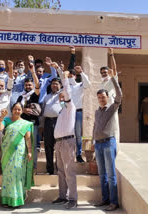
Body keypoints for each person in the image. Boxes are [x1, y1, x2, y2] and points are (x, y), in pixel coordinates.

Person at [93, 70, 122, 212]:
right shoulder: (97, 111)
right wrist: (93, 142)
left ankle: (113, 202)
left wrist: (114, 79)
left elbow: (119, 97)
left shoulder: (112, 109)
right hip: (98, 145)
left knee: (111, 175)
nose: (101, 99)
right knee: (102, 173)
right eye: (99, 97)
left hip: (109, 143)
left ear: (107, 97)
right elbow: (95, 127)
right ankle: (104, 200)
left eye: (103, 97)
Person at [0, 104, 34, 208]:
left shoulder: (25, 124)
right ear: (12, 110)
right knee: (8, 175)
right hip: (7, 152)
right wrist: (1, 118)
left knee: (17, 174)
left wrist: (29, 151)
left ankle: (17, 200)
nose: (17, 111)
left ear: (22, 111)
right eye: (15, 109)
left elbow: (28, 138)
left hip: (19, 152)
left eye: (19, 109)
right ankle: (6, 199)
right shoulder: (7, 120)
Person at [51, 69, 78, 209]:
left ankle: (73, 199)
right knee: (61, 171)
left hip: (67, 142)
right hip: (59, 143)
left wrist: (64, 77)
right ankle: (63, 196)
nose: (61, 99)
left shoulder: (70, 107)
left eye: (63, 97)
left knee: (69, 171)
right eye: (60, 98)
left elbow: (67, 91)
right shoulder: (62, 111)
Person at [67, 46, 91, 163]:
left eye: (72, 75)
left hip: (78, 113)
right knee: (68, 134)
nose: (70, 77)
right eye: (69, 76)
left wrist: (82, 72)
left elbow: (88, 84)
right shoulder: (65, 87)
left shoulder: (79, 85)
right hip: (68, 113)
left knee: (78, 135)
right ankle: (69, 154)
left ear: (75, 76)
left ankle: (78, 154)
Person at [16, 61, 41, 172]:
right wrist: (23, 110)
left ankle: (33, 167)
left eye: (30, 85)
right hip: (22, 124)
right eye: (26, 85)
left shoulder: (34, 95)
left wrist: (33, 72)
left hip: (32, 124)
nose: (28, 86)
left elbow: (37, 85)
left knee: (33, 146)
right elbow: (15, 109)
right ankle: (24, 165)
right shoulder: (21, 97)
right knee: (23, 145)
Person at [41, 76, 62, 175]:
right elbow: (43, 110)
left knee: (59, 146)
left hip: (59, 122)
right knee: (48, 146)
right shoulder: (46, 97)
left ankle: (59, 168)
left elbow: (65, 108)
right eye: (53, 83)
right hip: (48, 123)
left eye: (56, 83)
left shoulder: (62, 96)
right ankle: (49, 169)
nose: (54, 85)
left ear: (60, 85)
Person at [99, 48, 120, 145]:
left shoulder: (112, 79)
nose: (104, 74)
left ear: (109, 72)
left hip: (111, 106)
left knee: (113, 127)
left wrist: (111, 55)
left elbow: (114, 68)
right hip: (103, 108)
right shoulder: (102, 83)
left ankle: (114, 146)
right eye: (102, 72)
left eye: (105, 72)